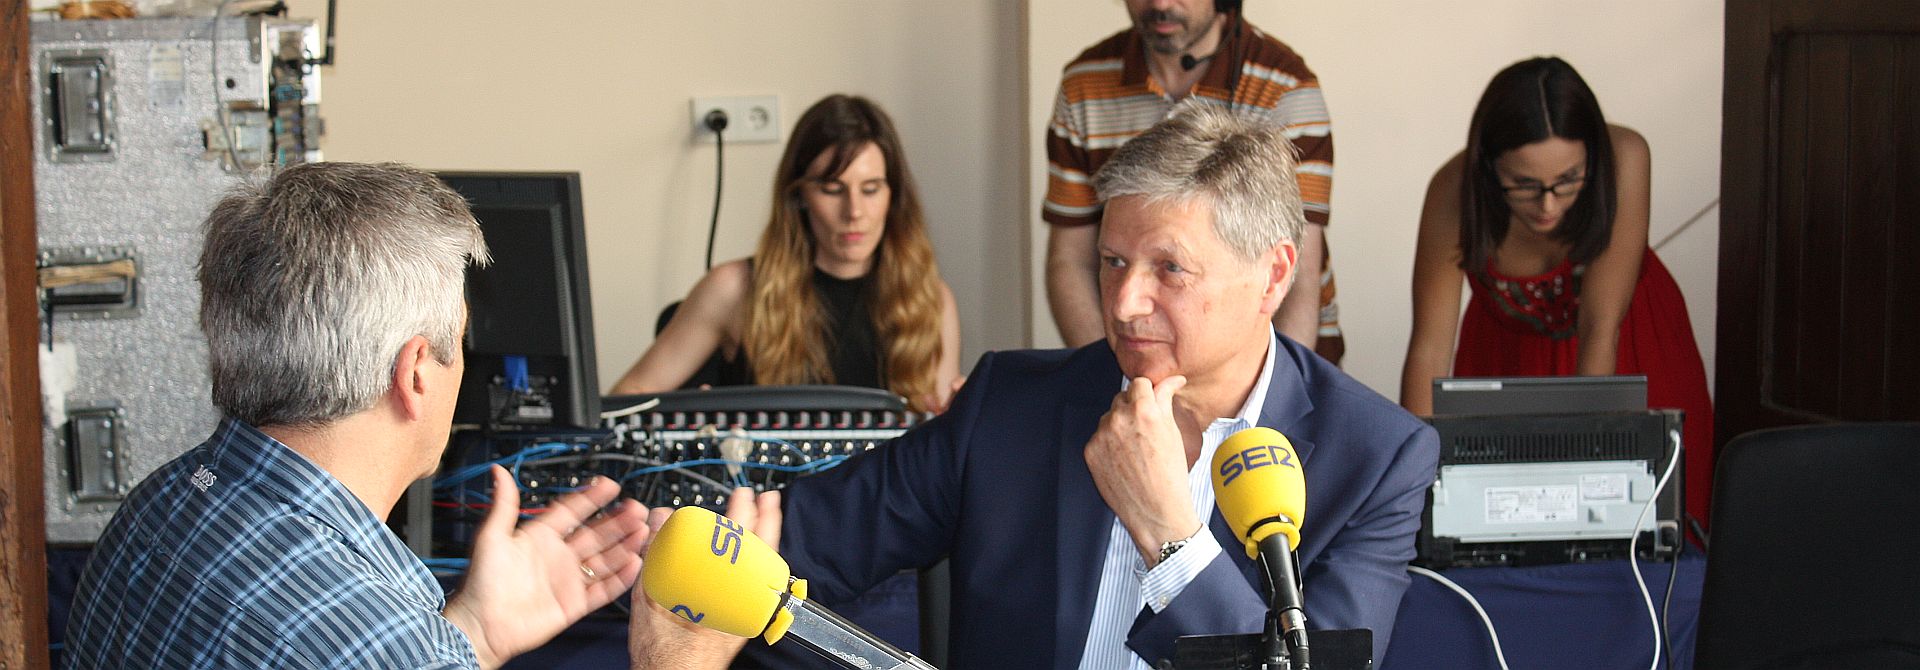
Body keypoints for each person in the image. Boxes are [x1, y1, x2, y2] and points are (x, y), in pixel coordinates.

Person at [745, 104, 1435, 668]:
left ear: (1274, 276)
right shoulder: (1007, 404)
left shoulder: (1375, 458)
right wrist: (677, 545)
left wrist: (1171, 534)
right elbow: (793, 553)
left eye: (1169, 269)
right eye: (1112, 261)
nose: (1125, 301)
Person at [60, 162, 741, 670]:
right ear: (415, 373)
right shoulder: (379, 648)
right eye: (460, 344)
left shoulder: (156, 506)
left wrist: (474, 631)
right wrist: (682, 659)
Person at [1399, 57, 1715, 528]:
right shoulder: (1454, 189)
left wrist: (1582, 473)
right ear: (1488, 168)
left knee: (1646, 525)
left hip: (1628, 351)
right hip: (1506, 366)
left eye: (1568, 181)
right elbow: (1428, 348)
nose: (1549, 205)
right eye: (1524, 185)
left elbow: (1599, 330)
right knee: (1488, 528)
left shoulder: (1626, 156)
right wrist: (1416, 490)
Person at [609, 94, 962, 413]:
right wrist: (685, 416)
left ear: (893, 196)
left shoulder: (932, 300)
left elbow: (937, 433)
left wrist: (956, 414)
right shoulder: (733, 288)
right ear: (799, 198)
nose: (854, 211)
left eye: (870, 189)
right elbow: (630, 394)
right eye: (832, 189)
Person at [1044, 0, 1345, 364]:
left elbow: (1298, 278)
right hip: (1135, 350)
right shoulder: (1085, 84)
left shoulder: (1286, 88)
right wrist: (1115, 376)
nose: (1160, 4)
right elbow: (1070, 261)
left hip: (1277, 363)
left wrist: (1271, 397)